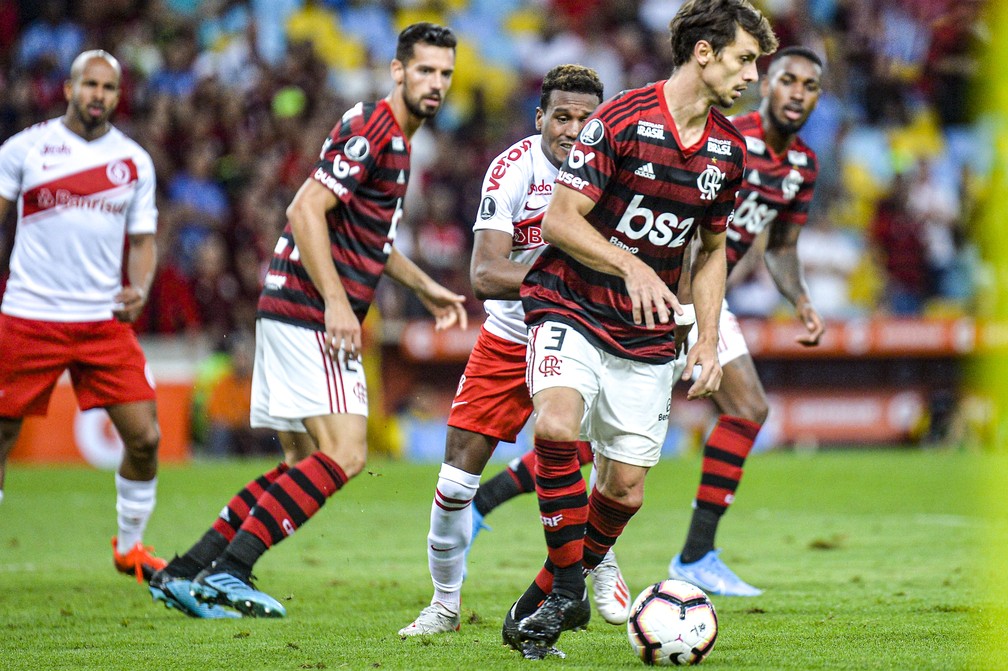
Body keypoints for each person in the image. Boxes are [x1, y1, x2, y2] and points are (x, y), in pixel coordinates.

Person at [147, 22, 466, 619]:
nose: (436, 84)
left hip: (289, 306)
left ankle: (187, 570)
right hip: (312, 313)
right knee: (344, 454)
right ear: (398, 71)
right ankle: (232, 572)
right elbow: (304, 208)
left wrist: (428, 289)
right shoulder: (380, 127)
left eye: (445, 73)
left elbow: (370, 240)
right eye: (424, 70)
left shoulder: (393, 139)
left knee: (300, 464)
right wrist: (340, 305)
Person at [507, 0, 778, 659]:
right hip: (570, 302)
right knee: (556, 427)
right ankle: (570, 582)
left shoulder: (728, 151)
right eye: (745, 59)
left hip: (649, 334)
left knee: (624, 489)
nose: (752, 76)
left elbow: (711, 251)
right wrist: (628, 264)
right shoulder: (622, 118)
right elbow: (564, 220)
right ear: (705, 52)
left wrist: (708, 339)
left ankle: (545, 590)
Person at [398, 65, 631, 639]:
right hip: (511, 336)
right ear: (540, 119)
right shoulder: (512, 169)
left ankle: (592, 564)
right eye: (562, 117)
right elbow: (485, 272)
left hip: (587, 333)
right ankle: (444, 606)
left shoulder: (618, 172)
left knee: (600, 467)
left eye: (586, 118)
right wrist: (565, 266)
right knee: (455, 481)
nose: (574, 130)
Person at [0, 50, 166, 582]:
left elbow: (143, 241)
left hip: (102, 321)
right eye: (89, 85)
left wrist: (138, 287)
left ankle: (131, 547)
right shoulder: (25, 149)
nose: (98, 95)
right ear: (69, 89)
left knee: (145, 438)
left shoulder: (134, 161)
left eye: (109, 88)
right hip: (29, 314)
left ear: (119, 96)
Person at [668, 46, 825, 597]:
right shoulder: (728, 137)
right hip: (665, 295)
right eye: (787, 80)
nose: (797, 93)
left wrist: (800, 299)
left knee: (749, 408)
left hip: (707, 304)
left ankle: (696, 554)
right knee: (603, 437)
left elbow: (780, 246)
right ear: (767, 83)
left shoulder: (803, 165)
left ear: (817, 98)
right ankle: (478, 507)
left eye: (809, 85)